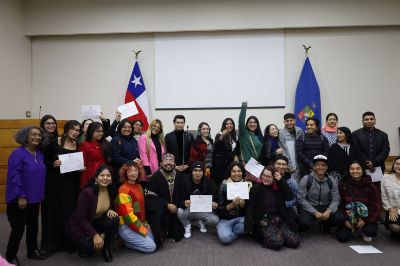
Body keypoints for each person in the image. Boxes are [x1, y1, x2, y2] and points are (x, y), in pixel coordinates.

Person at [5, 126, 48, 265]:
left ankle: (32, 251)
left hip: (35, 199)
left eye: (39, 135)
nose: (37, 137)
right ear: (25, 137)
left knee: (33, 227)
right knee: (18, 229)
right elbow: (14, 176)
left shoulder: (40, 154)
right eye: (33, 134)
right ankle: (10, 256)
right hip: (20, 199)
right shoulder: (18, 153)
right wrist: (21, 196)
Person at [41, 120, 81, 255]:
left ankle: (67, 243)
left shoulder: (78, 144)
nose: (75, 132)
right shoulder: (54, 143)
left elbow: (77, 163)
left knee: (68, 212)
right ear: (67, 129)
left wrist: (81, 168)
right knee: (54, 212)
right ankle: (52, 245)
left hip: (71, 183)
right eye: (73, 129)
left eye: (78, 130)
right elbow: (43, 161)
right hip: (55, 183)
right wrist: (53, 163)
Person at [65, 164, 119, 262]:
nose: (105, 178)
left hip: (94, 221)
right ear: (96, 178)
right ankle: (85, 243)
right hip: (79, 225)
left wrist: (111, 209)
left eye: (108, 175)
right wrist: (95, 235)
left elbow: (107, 204)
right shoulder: (87, 193)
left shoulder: (111, 190)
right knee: (90, 249)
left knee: (114, 219)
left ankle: (105, 247)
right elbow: (80, 219)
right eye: (102, 175)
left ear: (111, 179)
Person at [245, 166, 300, 250]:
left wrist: (281, 181)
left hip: (281, 219)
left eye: (269, 177)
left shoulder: (279, 186)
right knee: (277, 243)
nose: (265, 178)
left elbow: (290, 197)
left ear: (274, 177)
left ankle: (280, 233)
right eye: (264, 175)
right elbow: (250, 207)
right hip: (265, 221)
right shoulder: (255, 189)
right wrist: (251, 224)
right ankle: (270, 237)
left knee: (294, 242)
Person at [115, 161, 156, 253]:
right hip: (126, 225)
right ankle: (125, 241)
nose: (133, 173)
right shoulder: (123, 189)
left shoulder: (139, 186)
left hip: (137, 222)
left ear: (139, 172)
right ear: (125, 173)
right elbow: (128, 217)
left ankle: (129, 242)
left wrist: (144, 222)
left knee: (153, 240)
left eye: (135, 170)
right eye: (129, 171)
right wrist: (141, 229)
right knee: (151, 247)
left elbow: (141, 208)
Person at [144, 153, 185, 247]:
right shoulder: (155, 177)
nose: (168, 163)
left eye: (171, 161)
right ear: (161, 163)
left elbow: (183, 194)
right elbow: (150, 197)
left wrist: (177, 205)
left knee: (177, 235)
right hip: (160, 208)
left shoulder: (179, 176)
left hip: (175, 208)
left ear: (174, 164)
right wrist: (166, 204)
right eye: (166, 161)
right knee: (156, 215)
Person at [336, 161, 381, 242]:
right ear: (348, 171)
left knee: (371, 232)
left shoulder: (371, 187)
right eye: (352, 169)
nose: (355, 171)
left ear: (363, 170)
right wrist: (345, 220)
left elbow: (376, 206)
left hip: (365, 217)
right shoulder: (343, 185)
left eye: (358, 168)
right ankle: (350, 228)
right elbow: (340, 204)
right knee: (342, 238)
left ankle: (364, 230)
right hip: (348, 217)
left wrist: (365, 220)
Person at [298, 155, 344, 233]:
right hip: (311, 206)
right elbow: (301, 199)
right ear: (314, 166)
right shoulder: (306, 179)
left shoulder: (331, 180)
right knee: (304, 223)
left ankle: (325, 223)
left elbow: (336, 198)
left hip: (325, 207)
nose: (321, 167)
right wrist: (315, 212)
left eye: (323, 165)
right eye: (318, 165)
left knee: (340, 218)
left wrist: (329, 211)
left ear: (326, 167)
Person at [176, 161, 219, 239]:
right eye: (195, 170)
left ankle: (200, 221)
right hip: (190, 209)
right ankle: (187, 225)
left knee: (215, 220)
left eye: (200, 170)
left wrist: (214, 203)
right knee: (179, 211)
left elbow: (214, 198)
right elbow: (179, 200)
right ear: (191, 172)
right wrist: (184, 203)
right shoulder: (185, 181)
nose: (198, 173)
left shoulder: (209, 182)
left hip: (203, 209)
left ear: (203, 172)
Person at [216, 162, 251, 244]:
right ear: (230, 173)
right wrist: (231, 205)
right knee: (225, 238)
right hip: (225, 219)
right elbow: (217, 209)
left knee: (250, 225)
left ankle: (229, 231)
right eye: (233, 171)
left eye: (239, 171)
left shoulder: (248, 186)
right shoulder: (223, 185)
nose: (237, 174)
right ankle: (233, 232)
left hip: (241, 219)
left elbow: (251, 210)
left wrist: (243, 205)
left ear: (242, 172)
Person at [352, 111, 390, 186]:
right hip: (361, 167)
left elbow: (385, 150)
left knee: (377, 190)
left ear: (375, 120)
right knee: (362, 190)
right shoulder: (355, 134)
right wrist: (367, 163)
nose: (369, 121)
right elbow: (356, 150)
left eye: (371, 119)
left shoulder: (383, 135)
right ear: (362, 121)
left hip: (378, 167)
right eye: (366, 119)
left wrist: (374, 162)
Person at [79, 122, 112, 188]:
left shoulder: (105, 143)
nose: (101, 133)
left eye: (102, 131)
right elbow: (83, 166)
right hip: (91, 177)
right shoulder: (84, 145)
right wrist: (84, 184)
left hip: (104, 177)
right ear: (91, 131)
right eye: (98, 131)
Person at [211, 118, 239, 187]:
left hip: (230, 166)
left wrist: (236, 155)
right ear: (224, 125)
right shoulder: (219, 134)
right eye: (227, 124)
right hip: (221, 167)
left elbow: (237, 149)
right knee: (221, 186)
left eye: (231, 124)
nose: (229, 125)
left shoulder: (234, 135)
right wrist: (222, 136)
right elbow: (216, 147)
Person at [111, 119, 140, 185]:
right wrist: (131, 162)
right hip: (120, 174)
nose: (127, 129)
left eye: (129, 127)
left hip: (132, 173)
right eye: (124, 127)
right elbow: (115, 158)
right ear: (120, 128)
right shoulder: (116, 139)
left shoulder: (133, 140)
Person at [279, 113, 304, 181]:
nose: (289, 122)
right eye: (287, 121)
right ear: (284, 122)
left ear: (295, 121)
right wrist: (289, 166)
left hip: (300, 165)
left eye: (291, 120)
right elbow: (284, 151)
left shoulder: (300, 131)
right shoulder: (281, 133)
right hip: (289, 167)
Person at [381, 156, 400, 237]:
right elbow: (384, 197)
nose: (399, 166)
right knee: (394, 227)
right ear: (393, 164)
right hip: (392, 210)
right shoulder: (386, 177)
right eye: (397, 164)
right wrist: (390, 209)